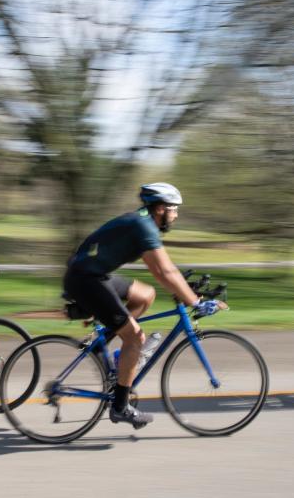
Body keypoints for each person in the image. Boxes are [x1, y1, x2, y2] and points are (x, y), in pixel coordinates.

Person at [62, 182, 212, 429]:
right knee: (135, 338)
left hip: (92, 274)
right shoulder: (143, 226)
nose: (176, 215)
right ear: (161, 208)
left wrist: (183, 288)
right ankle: (120, 407)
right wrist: (195, 302)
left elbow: (164, 272)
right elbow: (163, 271)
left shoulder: (142, 221)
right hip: (86, 280)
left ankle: (104, 349)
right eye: (174, 209)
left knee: (145, 295)